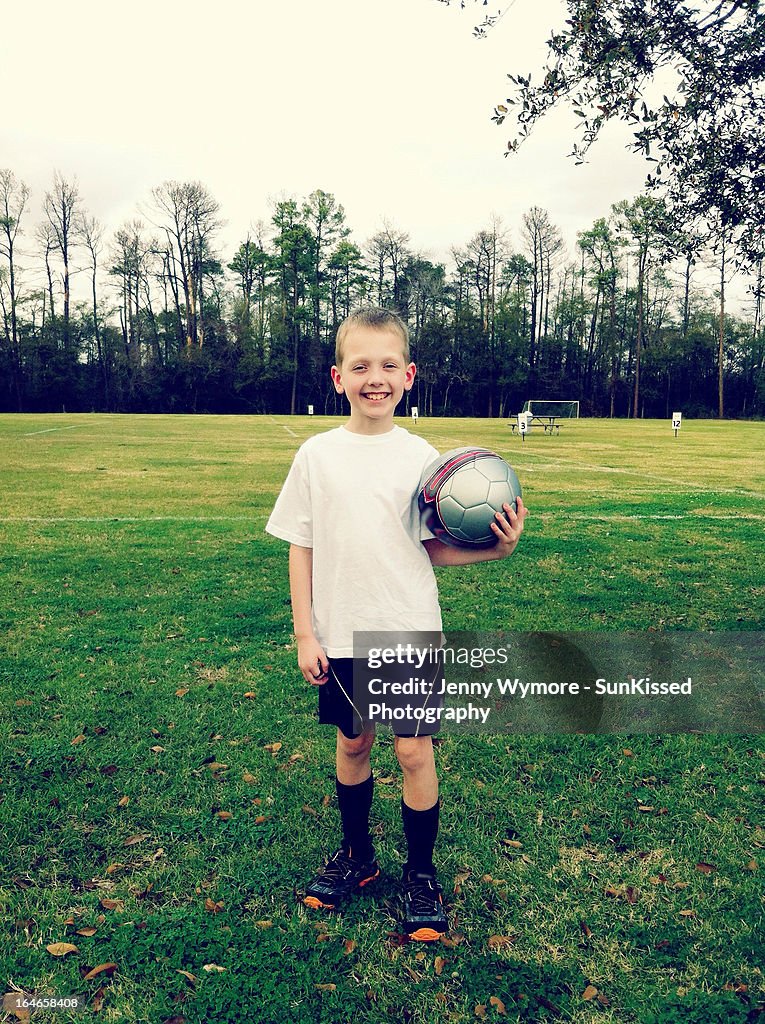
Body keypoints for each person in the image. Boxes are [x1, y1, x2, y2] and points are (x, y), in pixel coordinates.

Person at [265, 306, 527, 941]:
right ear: (337, 377)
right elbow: (301, 544)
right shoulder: (317, 455)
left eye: (387, 366)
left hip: (406, 627)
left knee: (413, 750)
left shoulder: (424, 461)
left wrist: (494, 549)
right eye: (360, 366)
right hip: (340, 631)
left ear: (409, 376)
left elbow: (430, 546)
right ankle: (357, 856)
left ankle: (420, 873)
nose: (374, 377)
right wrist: (305, 631)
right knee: (353, 745)